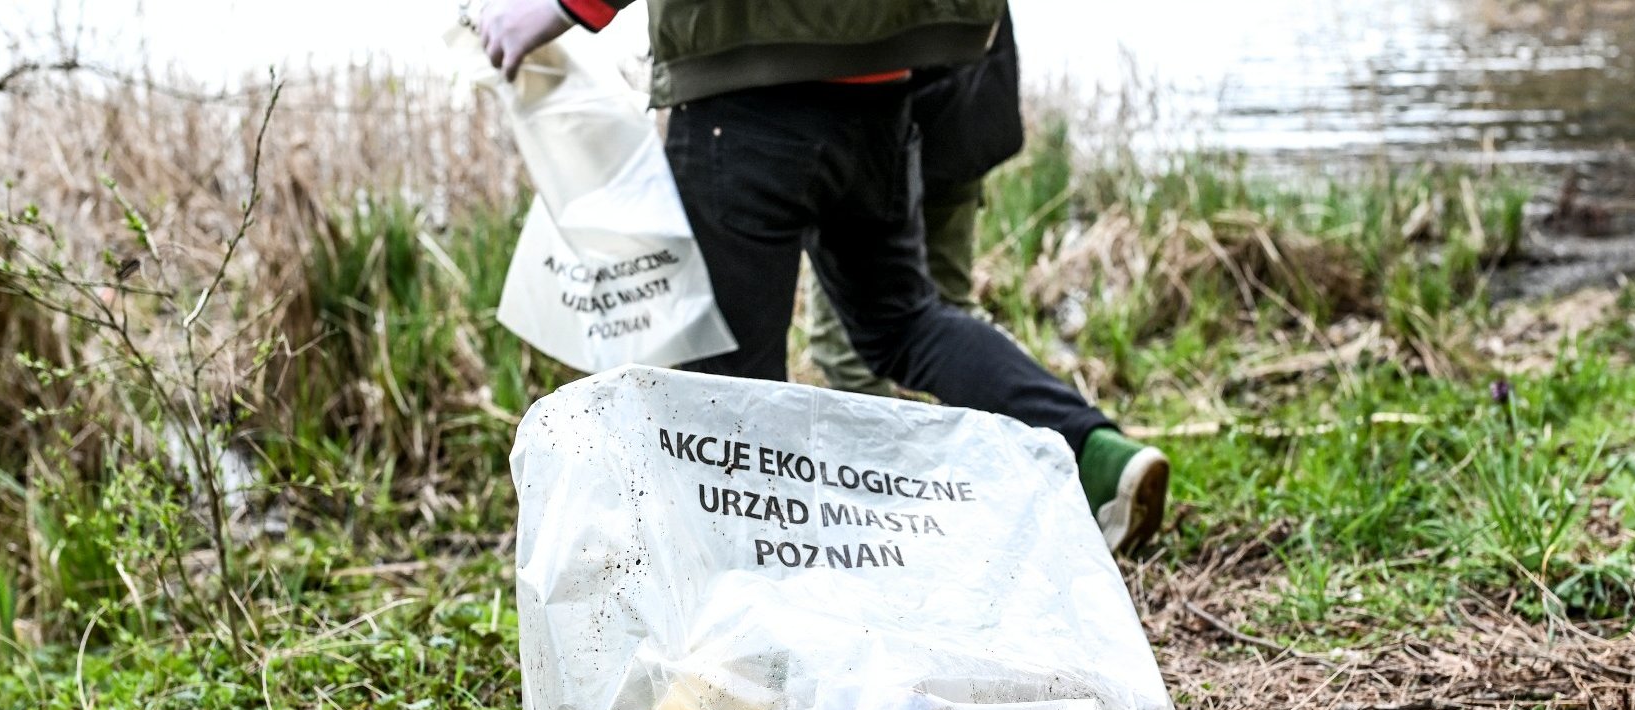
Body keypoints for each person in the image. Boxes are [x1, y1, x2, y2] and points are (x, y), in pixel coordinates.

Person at [479, 0, 1170, 552]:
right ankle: (1096, 452)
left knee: (726, 386)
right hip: (882, 89)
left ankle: (755, 618)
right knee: (905, 322)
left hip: (742, 103)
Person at [802, 10, 1022, 399]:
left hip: (877, 132)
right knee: (949, 317)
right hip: (959, 114)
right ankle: (1047, 427)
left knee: (848, 348)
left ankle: (885, 456)